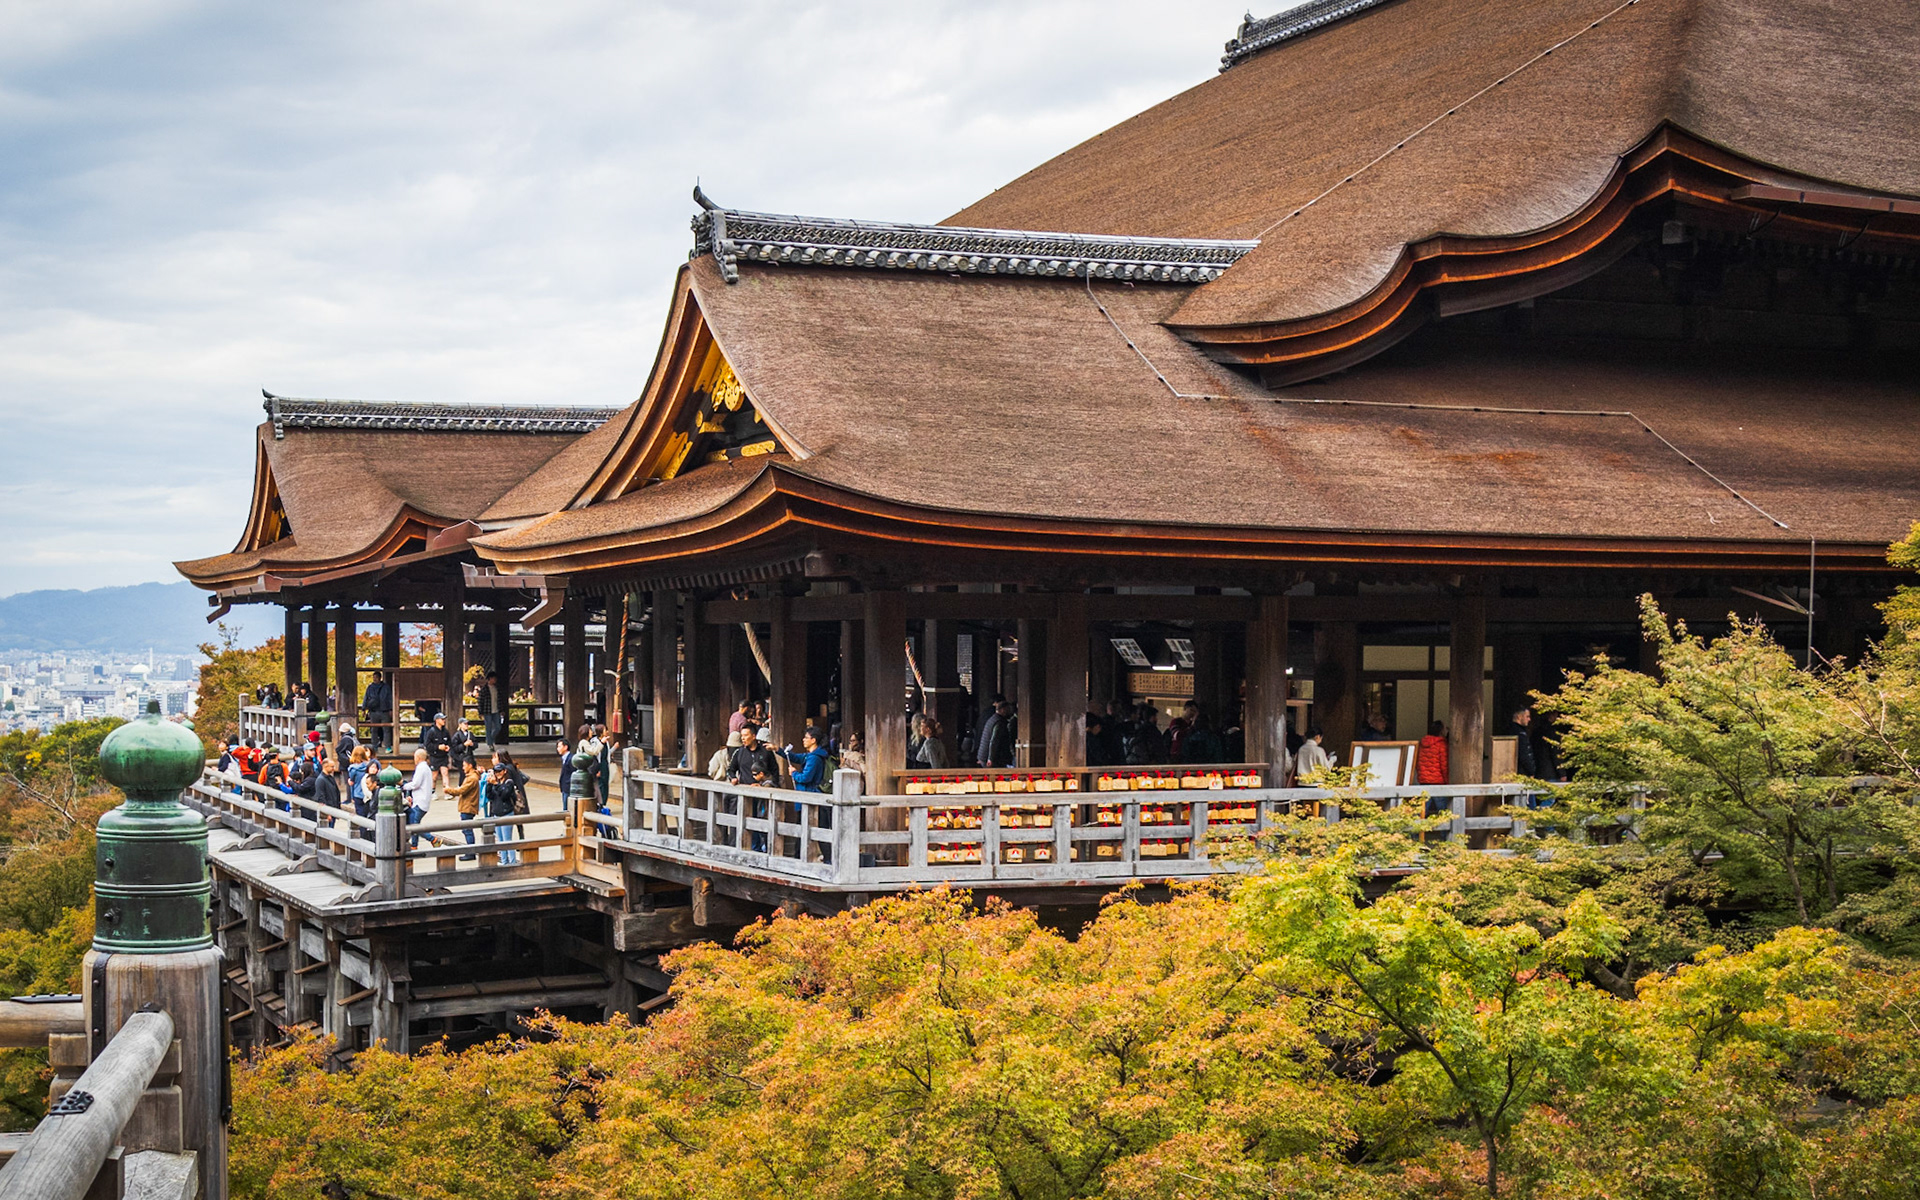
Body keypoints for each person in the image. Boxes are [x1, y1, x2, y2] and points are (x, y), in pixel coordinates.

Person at [484, 761, 522, 865]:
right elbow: (490, 796)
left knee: (507, 840)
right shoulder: (495, 782)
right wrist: (489, 784)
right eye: (496, 772)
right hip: (497, 813)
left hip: (507, 814)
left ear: (504, 771)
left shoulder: (509, 782)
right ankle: (504, 861)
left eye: (499, 771)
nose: (498, 774)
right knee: (500, 841)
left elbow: (504, 795)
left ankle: (512, 862)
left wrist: (496, 784)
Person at [402, 748, 436, 849]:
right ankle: (414, 845)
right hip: (423, 800)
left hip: (420, 801)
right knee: (415, 823)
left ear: (418, 757)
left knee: (414, 825)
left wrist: (404, 786)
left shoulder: (421, 768)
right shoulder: (426, 768)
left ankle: (432, 839)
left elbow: (415, 784)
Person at [780, 729, 832, 793]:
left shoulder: (814, 758)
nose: (803, 739)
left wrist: (794, 773)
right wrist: (777, 749)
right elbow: (795, 757)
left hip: (809, 792)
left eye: (806, 737)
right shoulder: (812, 755)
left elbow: (805, 778)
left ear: (813, 740)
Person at [448, 763, 481, 856]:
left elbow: (461, 790)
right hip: (467, 806)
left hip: (468, 807)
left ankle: (470, 853)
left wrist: (449, 790)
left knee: (467, 830)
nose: (463, 768)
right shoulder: (471, 776)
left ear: (470, 765)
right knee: (466, 829)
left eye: (464, 765)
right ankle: (470, 852)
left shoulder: (472, 778)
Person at [362, 671, 393, 751]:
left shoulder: (386, 687)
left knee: (386, 729)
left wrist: (391, 709)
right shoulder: (370, 687)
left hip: (384, 711)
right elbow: (366, 698)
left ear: (380, 678)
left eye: (376, 677)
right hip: (373, 711)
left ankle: (387, 746)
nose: (374, 679)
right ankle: (374, 746)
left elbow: (390, 698)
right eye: (374, 677)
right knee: (374, 730)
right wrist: (363, 709)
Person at [421, 711, 454, 788]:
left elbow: (449, 742)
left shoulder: (445, 731)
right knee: (434, 776)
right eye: (442, 719)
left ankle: (447, 790)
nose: (444, 721)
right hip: (434, 756)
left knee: (445, 773)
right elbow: (427, 745)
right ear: (437, 720)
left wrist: (448, 747)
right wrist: (438, 747)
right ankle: (432, 791)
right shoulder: (431, 732)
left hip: (443, 756)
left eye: (444, 719)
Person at [477, 670, 508, 749]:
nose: (495, 680)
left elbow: (499, 700)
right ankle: (490, 744)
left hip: (496, 711)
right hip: (487, 711)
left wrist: (501, 710)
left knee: (498, 727)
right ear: (490, 679)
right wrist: (480, 712)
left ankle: (489, 739)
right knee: (488, 728)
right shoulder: (484, 689)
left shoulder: (497, 688)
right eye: (494, 678)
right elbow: (480, 701)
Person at [1417, 720, 1449, 786]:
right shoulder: (1441, 744)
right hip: (1438, 781)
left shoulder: (1422, 744)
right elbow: (1444, 766)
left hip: (1423, 780)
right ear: (1441, 731)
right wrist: (1447, 781)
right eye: (1446, 728)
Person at [556, 739, 574, 814]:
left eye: (559, 746)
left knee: (567, 810)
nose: (558, 749)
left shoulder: (571, 759)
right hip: (565, 787)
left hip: (568, 787)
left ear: (565, 747)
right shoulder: (565, 758)